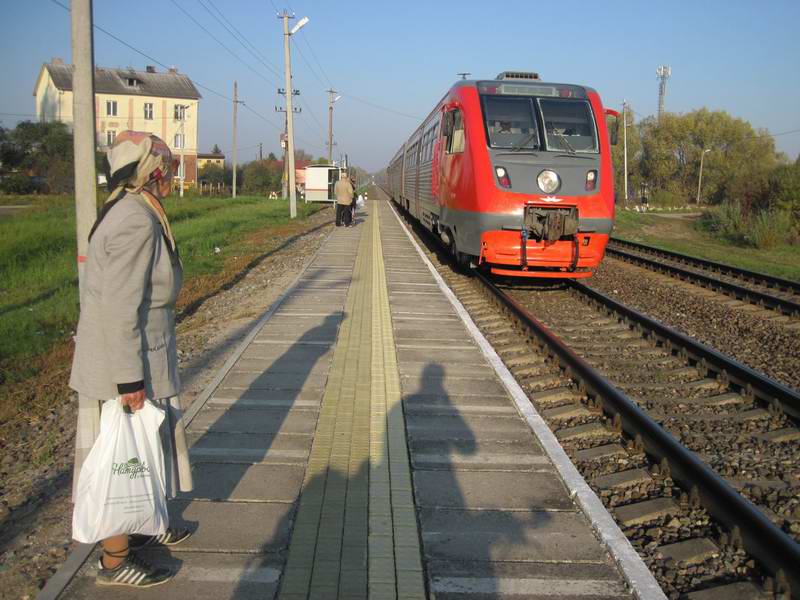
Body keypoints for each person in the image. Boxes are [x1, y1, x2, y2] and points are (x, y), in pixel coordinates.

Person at [70, 131, 193, 588]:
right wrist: (128, 382)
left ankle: (144, 526)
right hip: (127, 362)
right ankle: (114, 560)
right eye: (168, 167)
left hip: (144, 353)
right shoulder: (133, 220)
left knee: (145, 449)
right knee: (123, 457)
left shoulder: (136, 209)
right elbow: (120, 307)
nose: (172, 176)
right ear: (151, 171)